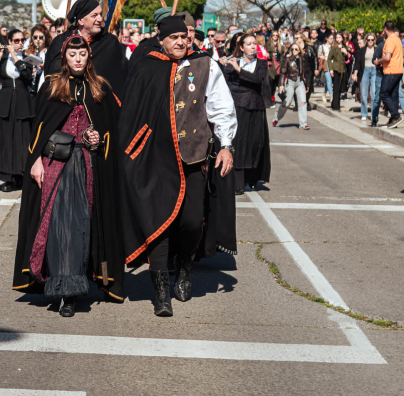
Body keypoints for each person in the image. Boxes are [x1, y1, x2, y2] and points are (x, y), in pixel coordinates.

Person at [119, 17, 236, 317]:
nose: (181, 42)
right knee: (160, 223)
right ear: (161, 40)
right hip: (154, 160)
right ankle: (160, 291)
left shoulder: (206, 65)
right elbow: (131, 112)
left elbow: (221, 108)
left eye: (184, 36)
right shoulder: (147, 66)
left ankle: (184, 267)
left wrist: (225, 146)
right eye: (173, 38)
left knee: (191, 223)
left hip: (194, 158)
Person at [13, 35, 123, 316]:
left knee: (78, 227)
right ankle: (61, 288)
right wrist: (35, 159)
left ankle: (71, 291)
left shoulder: (100, 88)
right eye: (72, 54)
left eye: (82, 54)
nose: (77, 58)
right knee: (57, 228)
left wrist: (97, 139)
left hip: (87, 166)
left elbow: (111, 130)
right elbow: (38, 128)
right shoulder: (51, 86)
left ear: (89, 57)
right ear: (64, 58)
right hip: (54, 166)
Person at [45, 0, 128, 98]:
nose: (100, 19)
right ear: (80, 20)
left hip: (100, 106)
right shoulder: (61, 42)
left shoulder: (110, 43)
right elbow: (53, 77)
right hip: (67, 102)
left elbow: (121, 77)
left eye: (100, 14)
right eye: (94, 15)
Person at [222, 33, 271, 194]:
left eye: (254, 44)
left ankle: (253, 178)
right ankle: (237, 182)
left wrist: (238, 69)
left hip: (255, 107)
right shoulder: (234, 62)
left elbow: (257, 80)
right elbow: (226, 81)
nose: (252, 46)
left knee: (255, 143)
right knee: (239, 143)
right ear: (241, 48)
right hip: (238, 107)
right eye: (248, 44)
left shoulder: (261, 64)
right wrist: (224, 66)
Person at [0, 29, 35, 192]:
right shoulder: (3, 59)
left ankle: (22, 175)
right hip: (6, 101)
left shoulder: (28, 58)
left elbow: (27, 75)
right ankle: (8, 178)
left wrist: (15, 56)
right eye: (16, 41)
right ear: (9, 41)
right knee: (6, 139)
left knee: (22, 139)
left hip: (22, 101)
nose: (20, 43)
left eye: (22, 40)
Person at [273, 39, 310, 130]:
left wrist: (307, 84)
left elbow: (304, 73)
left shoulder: (302, 59)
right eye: (292, 49)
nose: (294, 51)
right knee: (287, 103)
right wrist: (281, 85)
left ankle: (303, 124)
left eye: (296, 49)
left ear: (299, 50)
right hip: (290, 82)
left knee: (302, 102)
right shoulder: (288, 59)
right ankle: (276, 117)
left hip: (300, 82)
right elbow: (283, 72)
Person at [376, 22, 404, 128]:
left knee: (383, 93)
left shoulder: (390, 40)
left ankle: (396, 115)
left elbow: (387, 57)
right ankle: (393, 119)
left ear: (385, 29)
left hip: (391, 70)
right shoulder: (397, 39)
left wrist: (378, 61)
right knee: (393, 94)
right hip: (398, 70)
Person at [327, 34, 347, 111]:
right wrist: (331, 69)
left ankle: (334, 103)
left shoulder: (344, 47)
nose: (338, 39)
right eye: (337, 37)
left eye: (339, 37)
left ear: (342, 39)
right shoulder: (334, 47)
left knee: (340, 88)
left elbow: (347, 58)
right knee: (336, 87)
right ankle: (336, 105)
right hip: (336, 68)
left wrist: (345, 52)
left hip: (342, 69)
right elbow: (329, 58)